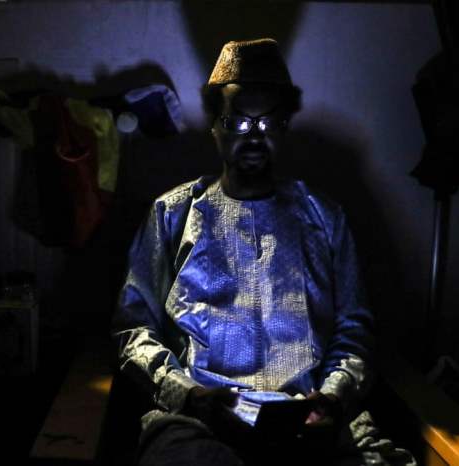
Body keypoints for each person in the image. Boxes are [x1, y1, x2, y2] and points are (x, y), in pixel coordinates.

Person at [111, 38, 415, 466]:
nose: (253, 137)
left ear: (285, 126)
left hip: (309, 417)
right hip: (198, 420)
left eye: (267, 123)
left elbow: (354, 330)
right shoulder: (173, 214)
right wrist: (190, 394)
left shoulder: (324, 217)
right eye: (237, 122)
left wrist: (332, 397)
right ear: (215, 126)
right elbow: (134, 328)